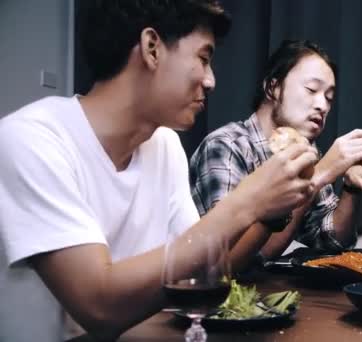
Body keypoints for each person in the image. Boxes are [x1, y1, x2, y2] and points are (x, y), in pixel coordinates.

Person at [0, 1, 318, 341]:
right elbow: (99, 307)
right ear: (152, 48)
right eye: (203, 58)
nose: (210, 81)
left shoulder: (164, 144)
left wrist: (269, 210)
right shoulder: (30, 138)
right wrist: (247, 202)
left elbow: (199, 269)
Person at [189, 40, 362, 269]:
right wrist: (317, 176)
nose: (322, 105)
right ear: (272, 88)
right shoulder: (227, 146)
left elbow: (332, 241)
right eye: (312, 90)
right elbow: (230, 262)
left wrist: (351, 188)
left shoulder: (308, 152)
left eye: (329, 98)